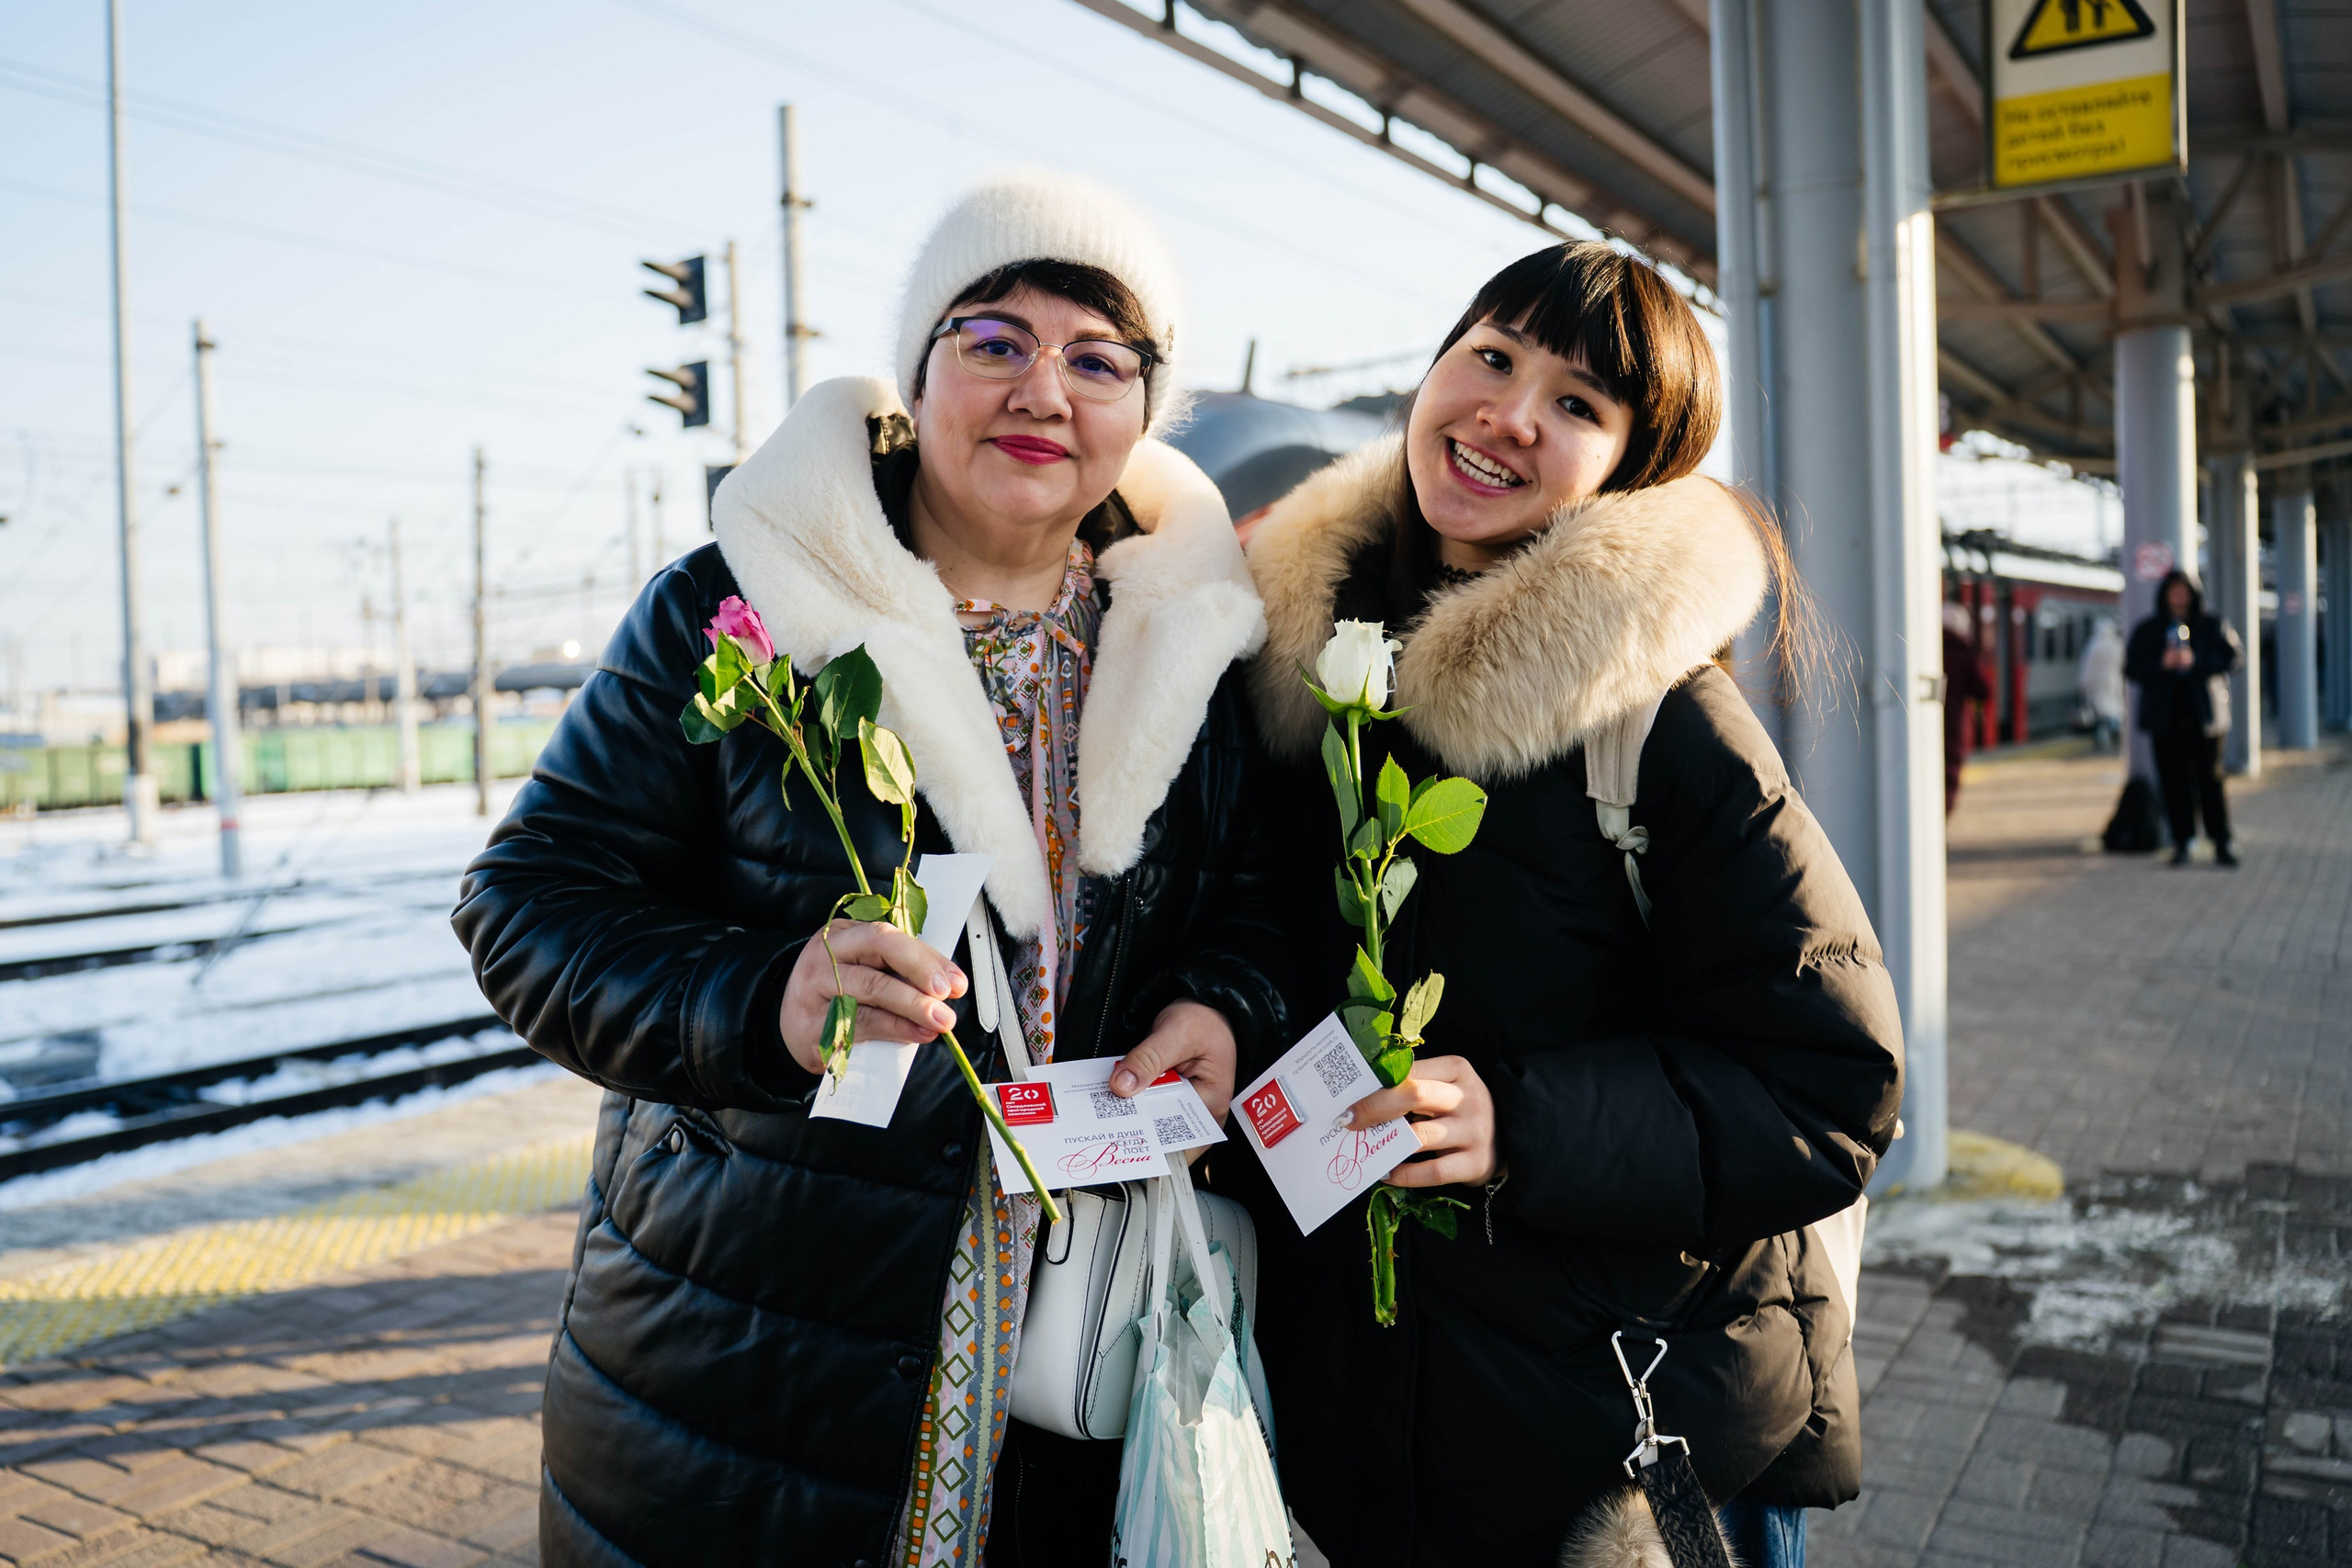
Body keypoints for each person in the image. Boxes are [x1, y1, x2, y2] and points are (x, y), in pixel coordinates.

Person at [452, 174, 1292, 1567]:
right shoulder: (739, 605)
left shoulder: (1192, 638)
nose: (1043, 390)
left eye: (1099, 359)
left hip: (1075, 1362)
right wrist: (759, 1001)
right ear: (917, 371)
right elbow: (524, 901)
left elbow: (1259, 902)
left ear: (1145, 407)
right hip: (753, 1348)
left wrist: (1222, 1003)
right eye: (995, 339)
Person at [1238, 241, 1905, 1568]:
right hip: (1390, 1446)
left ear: (1629, 469)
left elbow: (1831, 1085)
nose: (1508, 414)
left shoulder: (1661, 722)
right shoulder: (1306, 676)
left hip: (1636, 1448)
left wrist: (1521, 1121)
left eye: (1578, 402)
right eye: (1490, 356)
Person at [2124, 569, 2242, 866]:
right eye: (2173, 592)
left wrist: (2197, 662)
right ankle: (2182, 841)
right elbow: (2131, 668)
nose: (2178, 598)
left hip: (2205, 718)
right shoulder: (2149, 629)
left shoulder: (2212, 624)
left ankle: (2221, 841)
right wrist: (2162, 664)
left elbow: (2234, 658)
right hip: (2165, 719)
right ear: (2165, 595)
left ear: (2193, 595)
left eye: (2184, 592)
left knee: (2211, 782)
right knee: (2173, 783)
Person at [1942, 600, 1993, 815]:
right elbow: (1983, 690)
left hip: (1922, 724)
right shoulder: (1963, 652)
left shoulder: (1925, 648)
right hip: (1952, 727)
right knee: (1949, 774)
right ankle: (1942, 819)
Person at [2078, 616, 2125, 754]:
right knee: (2115, 709)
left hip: (2098, 682)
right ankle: (2116, 734)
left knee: (2100, 712)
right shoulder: (2118, 644)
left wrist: (2083, 684)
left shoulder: (2095, 645)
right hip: (2115, 680)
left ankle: (2103, 738)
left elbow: (2088, 667)